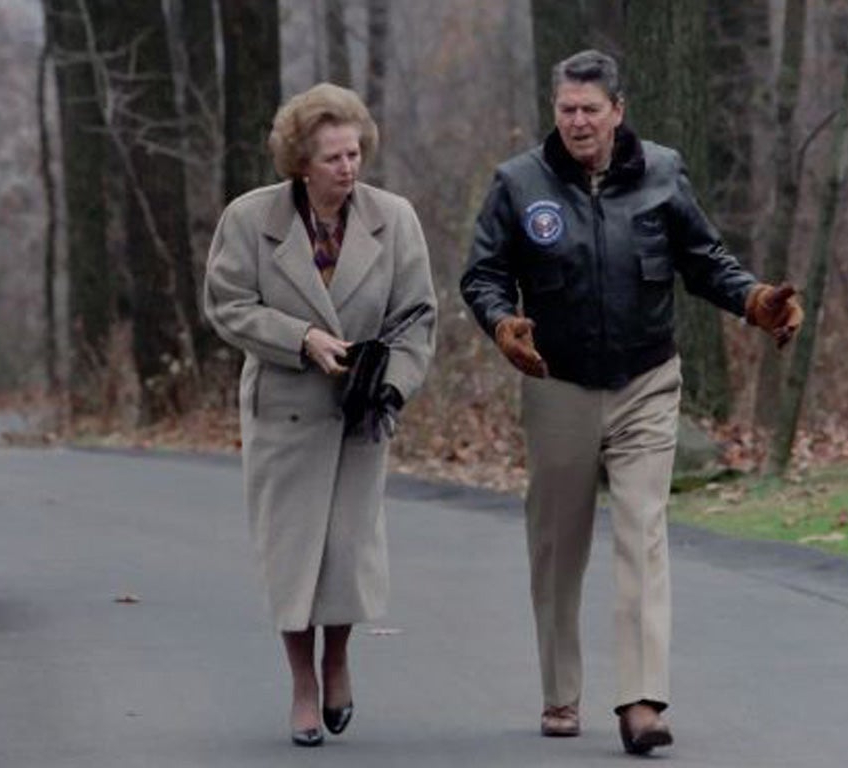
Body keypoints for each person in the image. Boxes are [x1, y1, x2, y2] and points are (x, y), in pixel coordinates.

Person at [460, 49, 802, 756]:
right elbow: (483, 273)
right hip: (558, 382)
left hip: (647, 380)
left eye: (591, 108)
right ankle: (560, 691)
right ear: (555, 112)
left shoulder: (663, 174)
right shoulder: (519, 184)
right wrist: (502, 323)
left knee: (643, 533)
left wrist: (754, 301)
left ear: (618, 110)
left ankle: (642, 701)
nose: (579, 121)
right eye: (567, 109)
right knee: (558, 547)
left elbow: (704, 260)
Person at [204, 83, 436, 747]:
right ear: (301, 162)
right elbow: (227, 305)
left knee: (346, 550)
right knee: (292, 553)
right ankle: (302, 682)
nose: (348, 166)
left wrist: (391, 384)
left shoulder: (394, 218)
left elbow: (418, 315)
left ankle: (338, 659)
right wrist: (299, 338)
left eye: (355, 152)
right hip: (285, 410)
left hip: (360, 410)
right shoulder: (252, 220)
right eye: (333, 156)